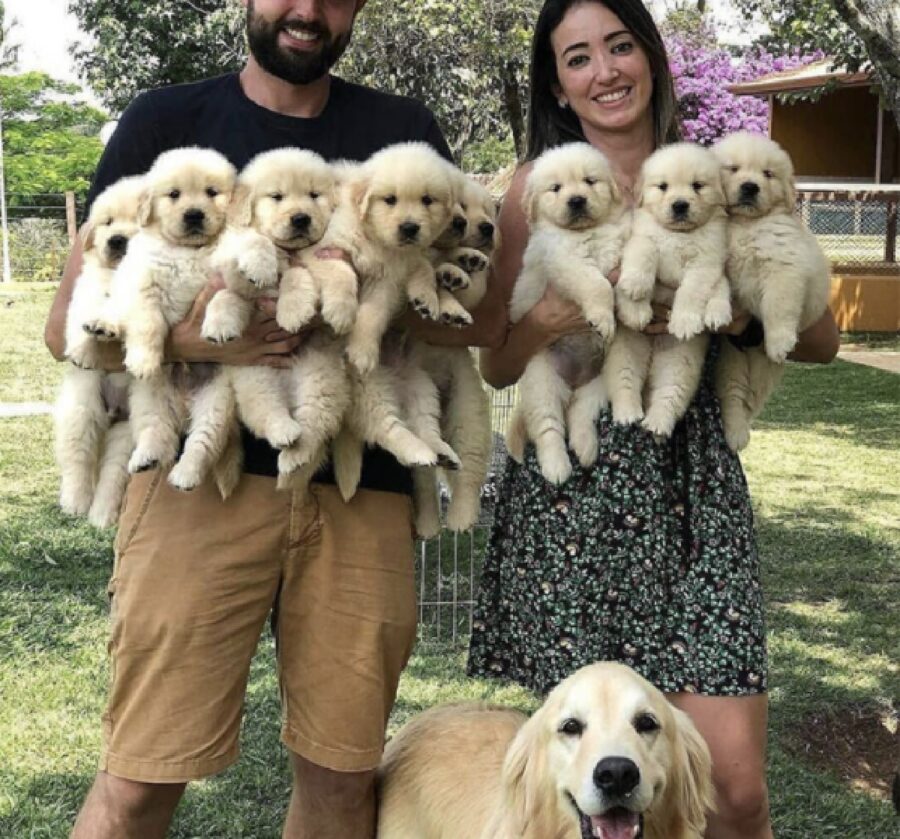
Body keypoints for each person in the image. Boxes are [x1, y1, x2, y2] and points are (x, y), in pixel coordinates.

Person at [44, 2, 498, 837]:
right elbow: (67, 330)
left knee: (341, 780)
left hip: (362, 493)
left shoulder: (402, 131)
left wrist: (369, 292)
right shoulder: (167, 122)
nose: (308, 11)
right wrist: (210, 337)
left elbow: (468, 310)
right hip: (195, 495)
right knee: (142, 774)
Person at [466, 2, 840, 839]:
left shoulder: (712, 173)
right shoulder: (535, 185)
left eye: (619, 46)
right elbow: (495, 357)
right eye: (577, 58)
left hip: (690, 485)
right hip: (574, 504)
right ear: (557, 84)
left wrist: (731, 310)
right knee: (599, 789)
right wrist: (561, 318)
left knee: (731, 788)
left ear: (652, 57)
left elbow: (820, 335)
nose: (604, 71)